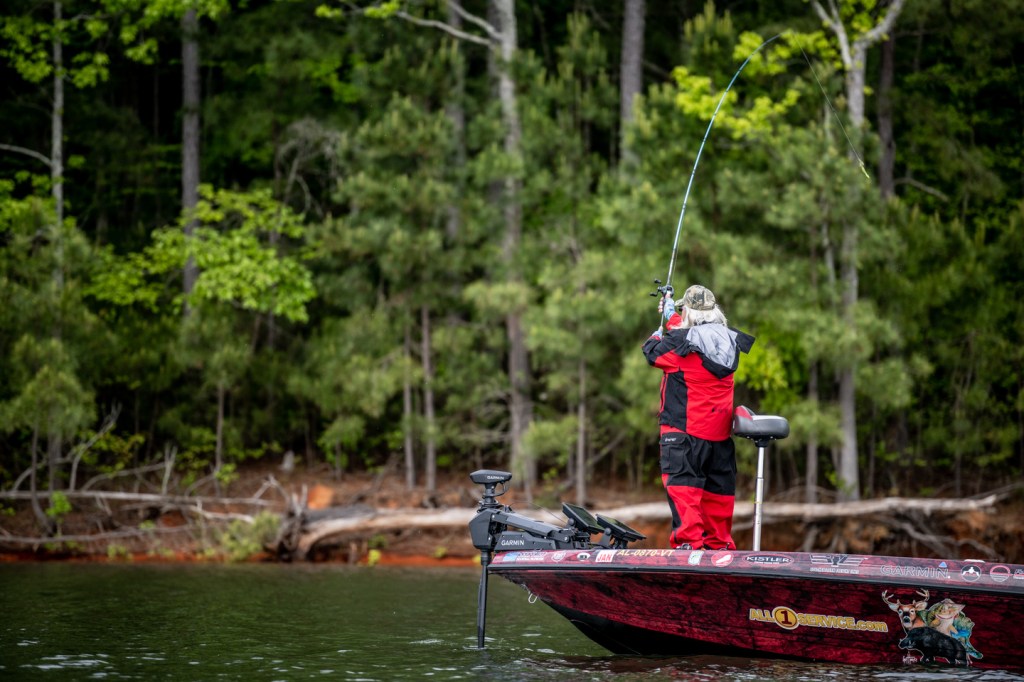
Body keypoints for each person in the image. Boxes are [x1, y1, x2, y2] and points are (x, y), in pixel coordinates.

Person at [641, 284, 754, 550]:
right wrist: (672, 317)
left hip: (683, 436)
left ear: (688, 312)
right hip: (719, 440)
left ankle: (690, 551)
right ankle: (720, 550)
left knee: (685, 493)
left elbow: (652, 352)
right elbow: (697, 336)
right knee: (718, 498)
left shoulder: (678, 344)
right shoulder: (729, 341)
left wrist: (658, 333)